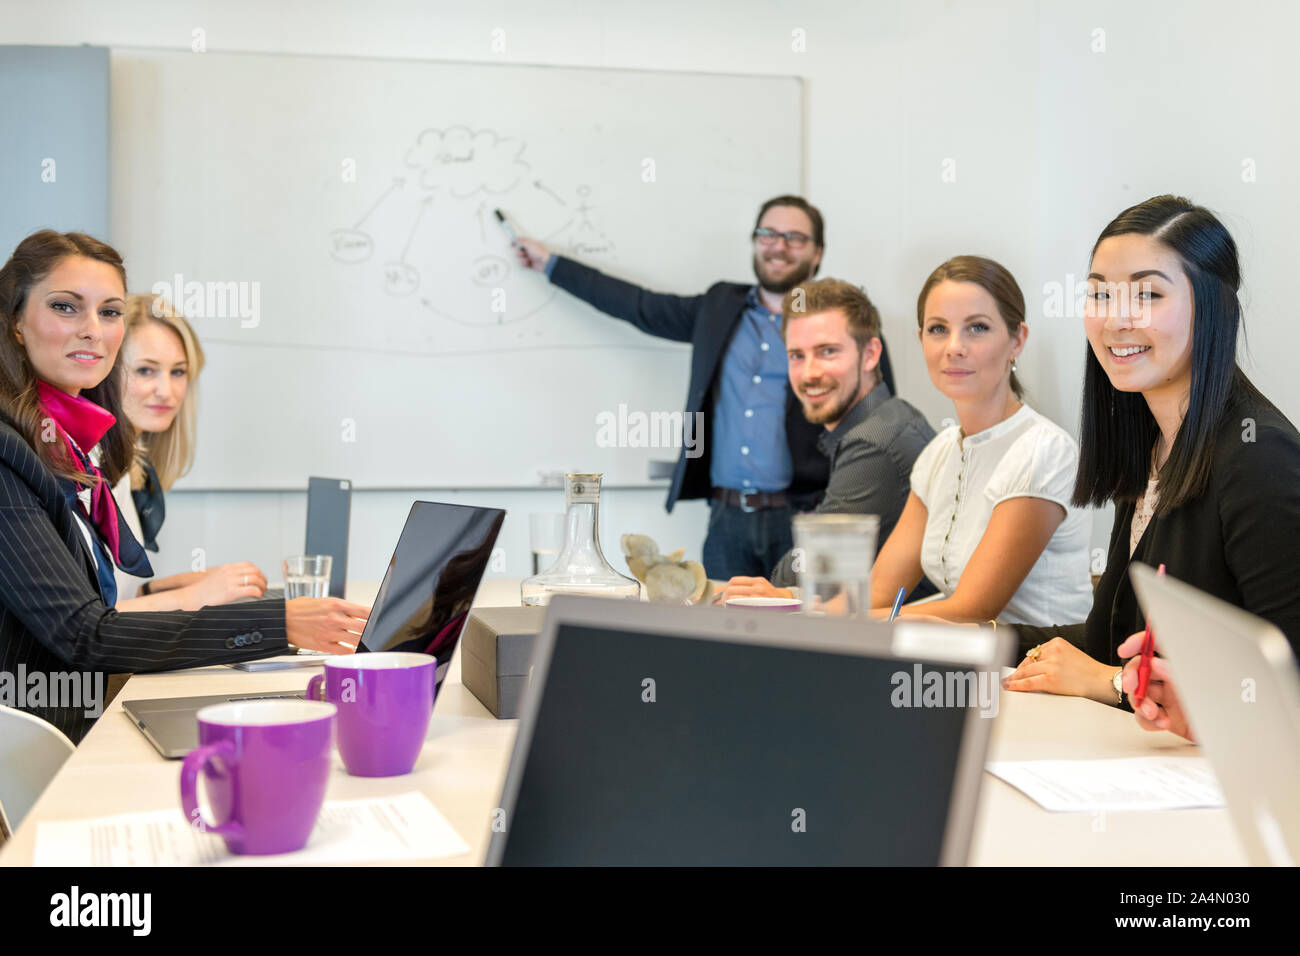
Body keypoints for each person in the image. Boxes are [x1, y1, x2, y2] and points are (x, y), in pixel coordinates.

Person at [0, 230, 368, 743]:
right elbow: (84, 633)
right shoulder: (10, 452)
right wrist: (275, 624)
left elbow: (89, 597)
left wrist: (191, 594)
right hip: (41, 747)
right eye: (66, 307)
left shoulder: (67, 444)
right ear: (16, 322)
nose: (93, 330)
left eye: (108, 313)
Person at [1004, 196, 1300, 729]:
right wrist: (979, 640)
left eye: (1147, 294)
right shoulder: (1150, 447)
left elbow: (1285, 685)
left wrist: (1111, 684)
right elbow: (1108, 639)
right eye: (1099, 294)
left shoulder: (1260, 458)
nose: (1117, 319)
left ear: (1213, 308)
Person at [514, 196, 851, 580]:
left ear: (817, 252)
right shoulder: (719, 306)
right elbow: (637, 305)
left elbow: (871, 420)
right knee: (722, 636)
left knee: (808, 634)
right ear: (755, 241)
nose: (779, 246)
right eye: (769, 234)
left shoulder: (837, 323)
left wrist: (837, 510)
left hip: (804, 520)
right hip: (726, 522)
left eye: (795, 237)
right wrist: (550, 264)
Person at [867, 256, 1093, 625]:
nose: (954, 346)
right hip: (960, 661)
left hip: (1039, 671)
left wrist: (844, 622)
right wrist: (789, 602)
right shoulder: (938, 453)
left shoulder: (1043, 450)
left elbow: (971, 610)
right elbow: (879, 592)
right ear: (920, 339)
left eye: (977, 328)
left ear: (1017, 339)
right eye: (938, 329)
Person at [710, 278, 934, 603]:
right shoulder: (891, 417)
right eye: (796, 356)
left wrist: (782, 584)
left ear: (870, 354)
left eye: (827, 352)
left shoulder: (874, 441)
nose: (809, 373)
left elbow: (806, 573)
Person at [110, 293, 269, 610]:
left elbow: (112, 595)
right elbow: (85, 623)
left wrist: (185, 585)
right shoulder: (85, 470)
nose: (166, 391)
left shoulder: (130, 467)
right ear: (107, 372)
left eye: (178, 372)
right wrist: (194, 596)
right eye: (145, 370)